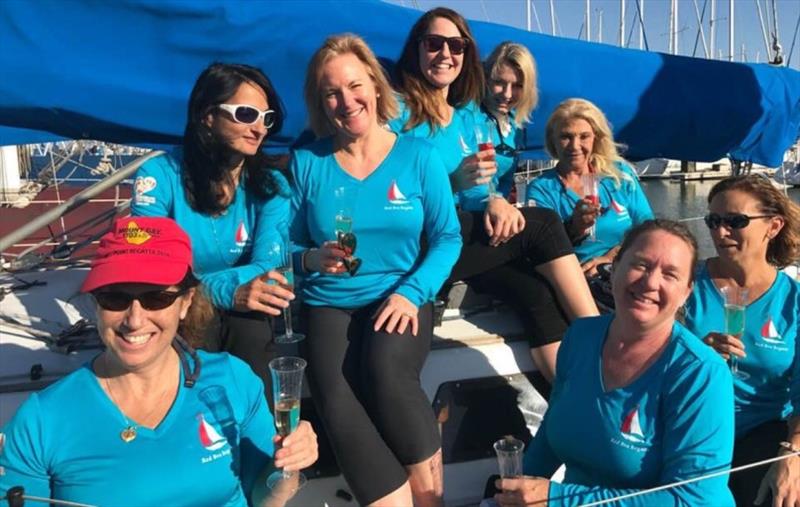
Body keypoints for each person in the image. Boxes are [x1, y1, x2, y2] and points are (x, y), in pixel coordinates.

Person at [0, 217, 318, 507]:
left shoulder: (232, 380)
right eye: (115, 298)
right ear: (95, 305)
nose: (135, 319)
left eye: (156, 298)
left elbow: (262, 498)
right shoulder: (43, 420)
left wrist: (288, 466)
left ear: (185, 303)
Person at [291, 35, 462, 506]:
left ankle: (430, 499)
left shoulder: (419, 158)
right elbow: (282, 246)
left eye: (354, 85)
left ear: (374, 83)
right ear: (320, 103)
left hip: (401, 291)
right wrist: (309, 258)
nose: (346, 101)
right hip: (329, 298)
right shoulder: (307, 163)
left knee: (385, 371)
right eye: (331, 93)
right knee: (335, 401)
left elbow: (448, 237)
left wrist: (413, 292)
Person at [392, 7, 598, 382]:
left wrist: (493, 202)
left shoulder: (458, 121)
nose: (445, 54)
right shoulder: (399, 114)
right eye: (434, 43)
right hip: (424, 243)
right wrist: (458, 185)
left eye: (456, 46)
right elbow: (389, 194)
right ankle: (605, 340)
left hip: (467, 234)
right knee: (544, 225)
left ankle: (574, 404)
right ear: (416, 49)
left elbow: (480, 189)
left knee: (534, 293)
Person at [496, 219, 735, 506]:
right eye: (641, 265)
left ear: (686, 291)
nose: (650, 282)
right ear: (615, 268)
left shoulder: (700, 373)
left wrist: (557, 499)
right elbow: (552, 430)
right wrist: (517, 489)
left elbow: (695, 500)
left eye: (670, 274)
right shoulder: (581, 337)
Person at [131, 63, 293, 398]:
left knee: (251, 326)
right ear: (207, 116)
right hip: (180, 306)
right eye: (246, 114)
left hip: (238, 307)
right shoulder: (159, 176)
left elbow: (269, 266)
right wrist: (226, 291)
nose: (259, 128)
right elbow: (152, 267)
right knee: (194, 326)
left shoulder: (272, 186)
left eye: (267, 117)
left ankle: (255, 434)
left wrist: (210, 288)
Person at [683, 175, 800, 506]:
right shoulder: (685, 283)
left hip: (763, 429)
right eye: (714, 221)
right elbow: (648, 356)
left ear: (773, 227)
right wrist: (696, 353)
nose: (720, 232)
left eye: (736, 221)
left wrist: (793, 453)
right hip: (691, 424)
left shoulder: (792, 300)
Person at [527, 98, 654, 277]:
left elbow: (649, 229)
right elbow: (540, 252)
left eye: (584, 136)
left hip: (626, 270)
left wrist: (611, 258)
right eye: (566, 137)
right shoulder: (541, 189)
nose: (575, 146)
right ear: (552, 140)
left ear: (596, 137)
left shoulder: (619, 174)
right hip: (575, 280)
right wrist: (574, 228)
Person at [479, 41, 537, 205]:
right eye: (499, 83)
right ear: (486, 78)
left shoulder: (515, 126)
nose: (507, 94)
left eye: (517, 86)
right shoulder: (468, 117)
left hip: (496, 213)